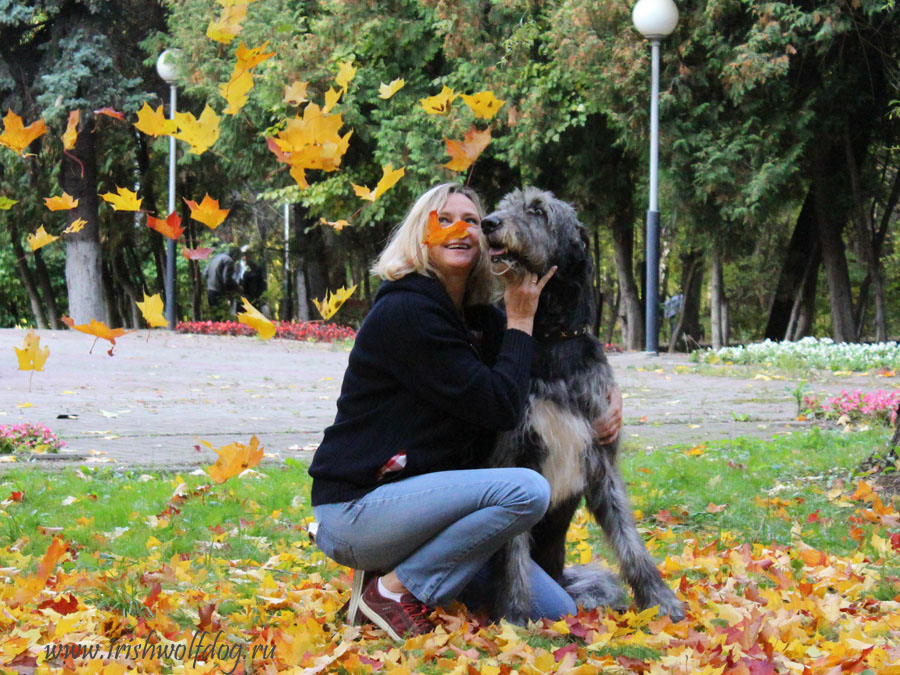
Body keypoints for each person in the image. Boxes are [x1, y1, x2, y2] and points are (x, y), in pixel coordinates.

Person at [308, 183, 622, 641]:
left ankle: (395, 571)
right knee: (526, 491)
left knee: (554, 610)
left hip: (429, 510)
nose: (462, 229)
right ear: (420, 234)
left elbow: (547, 366)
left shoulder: (474, 318)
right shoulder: (408, 312)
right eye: (445, 219)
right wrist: (519, 321)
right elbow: (499, 403)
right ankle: (392, 592)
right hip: (359, 508)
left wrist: (609, 398)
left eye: (473, 221)